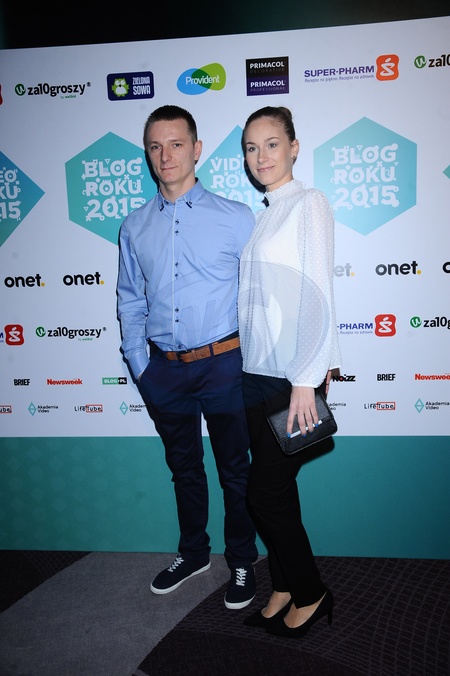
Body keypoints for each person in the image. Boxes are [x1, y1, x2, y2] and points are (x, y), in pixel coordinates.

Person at [117, 104, 258, 610]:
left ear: (196, 149)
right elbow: (130, 299)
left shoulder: (236, 218)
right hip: (164, 371)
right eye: (155, 146)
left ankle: (242, 559)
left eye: (176, 144)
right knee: (184, 470)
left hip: (225, 364)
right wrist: (141, 366)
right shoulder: (134, 226)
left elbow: (259, 296)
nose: (165, 155)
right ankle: (194, 553)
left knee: (235, 471)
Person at [238, 106, 342, 636]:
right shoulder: (265, 214)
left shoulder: (308, 203)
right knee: (278, 493)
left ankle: (311, 591)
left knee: (262, 493)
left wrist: (306, 379)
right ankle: (281, 584)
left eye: (272, 144)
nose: (261, 157)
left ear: (294, 147)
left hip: (289, 377)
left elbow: (317, 290)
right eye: (251, 148)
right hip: (256, 373)